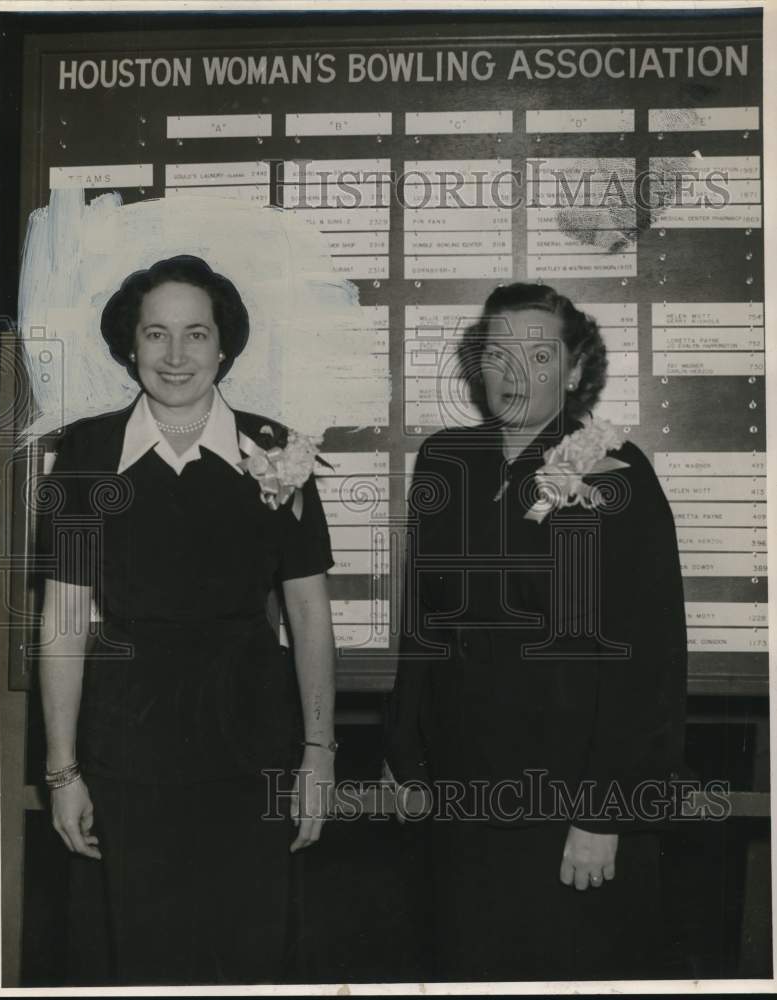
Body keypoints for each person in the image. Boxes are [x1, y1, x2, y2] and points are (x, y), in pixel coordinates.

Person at [35, 255, 337, 986]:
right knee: (138, 945)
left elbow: (307, 611)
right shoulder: (83, 454)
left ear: (223, 344)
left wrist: (319, 752)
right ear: (129, 345)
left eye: (195, 335)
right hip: (128, 740)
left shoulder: (278, 449)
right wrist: (63, 769)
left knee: (250, 941)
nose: (175, 357)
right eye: (156, 335)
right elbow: (65, 616)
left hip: (250, 736)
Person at [386, 282, 687, 982]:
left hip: (569, 794)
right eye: (497, 352)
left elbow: (649, 655)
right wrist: (405, 756)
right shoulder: (444, 459)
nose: (513, 371)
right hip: (461, 789)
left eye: (538, 353)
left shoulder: (619, 472)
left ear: (575, 371)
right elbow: (423, 624)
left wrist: (603, 811)